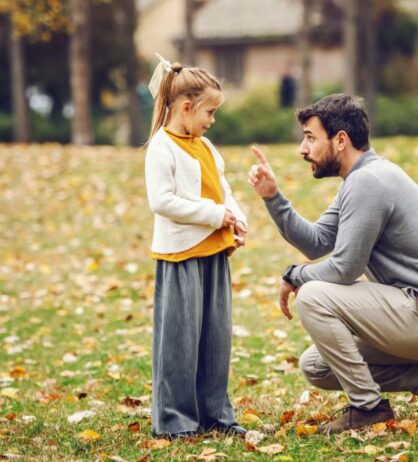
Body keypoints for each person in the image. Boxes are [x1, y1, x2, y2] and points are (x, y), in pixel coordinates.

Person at [248, 94, 418, 434]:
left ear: (340, 140)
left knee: (313, 295)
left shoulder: (369, 181)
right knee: (317, 366)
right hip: (417, 316)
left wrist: (296, 276)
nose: (302, 148)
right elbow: (316, 242)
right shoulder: (362, 179)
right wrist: (273, 199)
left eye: (310, 137)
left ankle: (368, 408)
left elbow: (345, 268)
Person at [144, 55, 247, 439]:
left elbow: (225, 190)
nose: (212, 120)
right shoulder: (162, 147)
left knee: (215, 340)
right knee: (179, 342)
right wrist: (215, 215)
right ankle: (175, 421)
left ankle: (216, 416)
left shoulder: (206, 146)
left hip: (214, 254)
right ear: (186, 107)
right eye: (210, 111)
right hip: (180, 256)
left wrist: (236, 218)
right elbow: (162, 201)